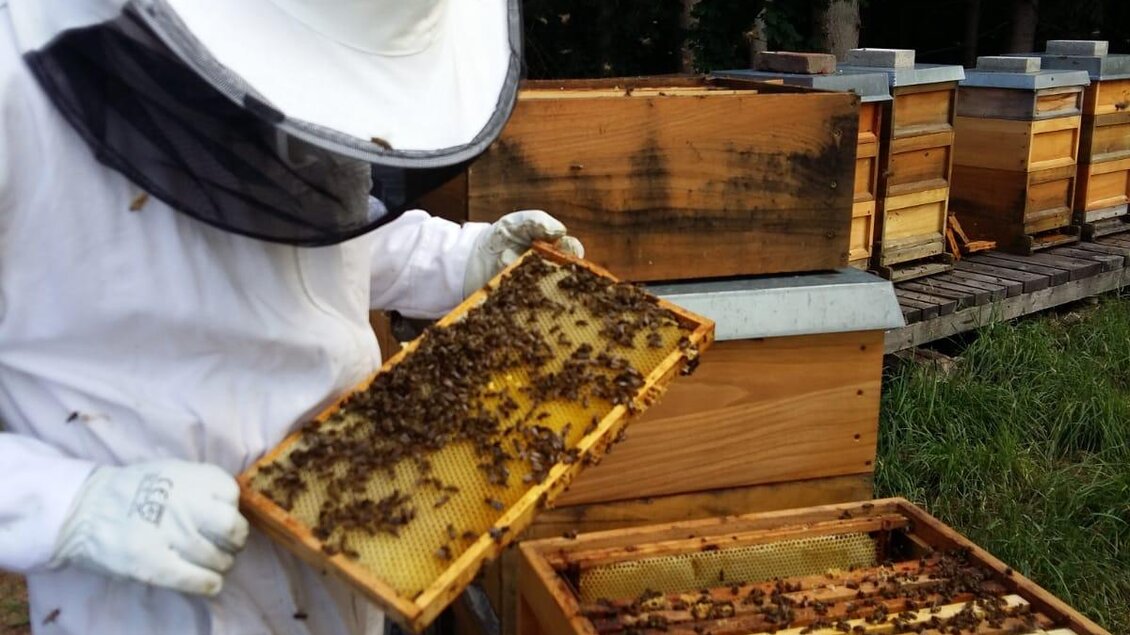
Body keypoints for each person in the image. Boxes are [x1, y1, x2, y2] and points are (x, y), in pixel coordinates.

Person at [0, 0, 581, 633]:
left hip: (355, 542)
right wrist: (70, 505)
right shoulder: (15, 84)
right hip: (150, 602)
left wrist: (462, 259)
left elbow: (318, 237)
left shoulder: (311, 53)